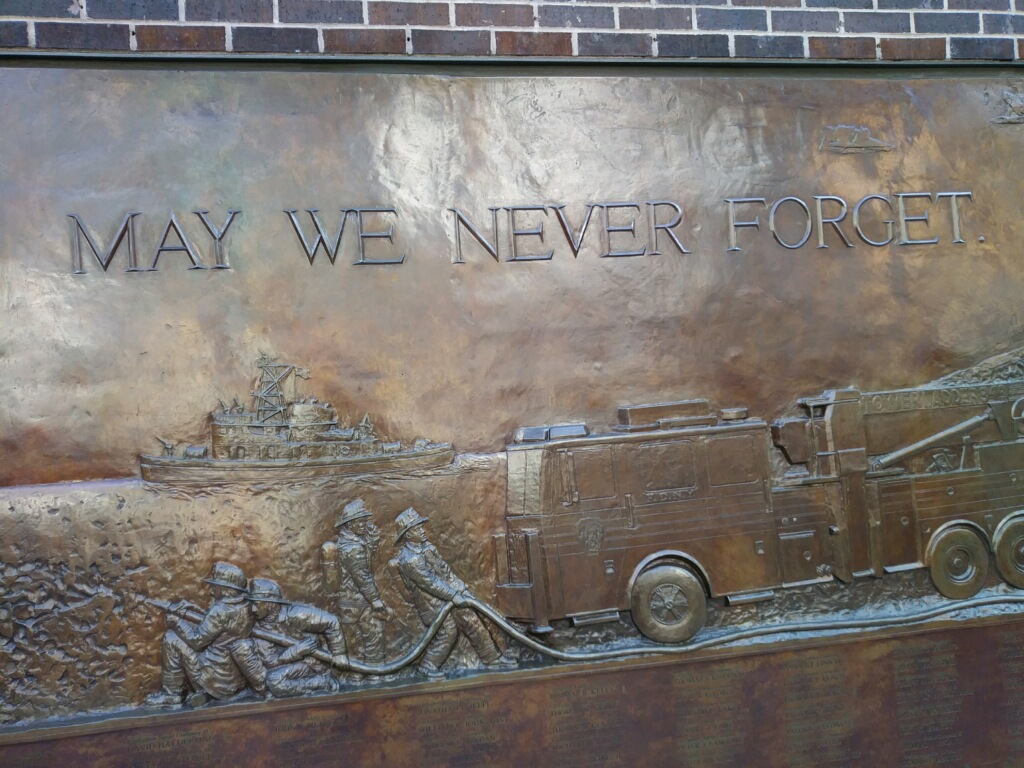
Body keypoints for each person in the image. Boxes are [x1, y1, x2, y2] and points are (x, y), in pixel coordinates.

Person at [392, 508, 514, 680]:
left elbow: (446, 572)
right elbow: (430, 583)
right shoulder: (410, 559)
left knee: (472, 622)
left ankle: (493, 659)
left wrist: (461, 589)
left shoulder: (428, 548)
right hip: (433, 606)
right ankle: (427, 666)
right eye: (418, 529)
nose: (423, 530)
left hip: (451, 597)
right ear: (408, 534)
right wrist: (453, 596)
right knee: (448, 632)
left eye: (421, 527)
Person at [145, 561, 253, 707]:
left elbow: (197, 642)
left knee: (171, 638)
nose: (211, 589)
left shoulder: (220, 610)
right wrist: (195, 608)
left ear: (225, 588)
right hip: (234, 681)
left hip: (215, 679)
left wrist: (177, 622)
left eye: (215, 585)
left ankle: (172, 695)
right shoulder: (246, 605)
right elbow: (219, 626)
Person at [230, 578, 346, 698]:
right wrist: (295, 652)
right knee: (273, 680)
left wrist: (339, 653)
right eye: (252, 604)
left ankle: (323, 681)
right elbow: (271, 662)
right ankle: (319, 682)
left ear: (270, 603)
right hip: (289, 667)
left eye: (257, 604)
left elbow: (332, 622)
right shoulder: (259, 628)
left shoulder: (296, 614)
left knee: (274, 680)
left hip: (312, 662)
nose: (253, 609)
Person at [320, 499, 391, 664]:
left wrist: (372, 539)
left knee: (352, 642)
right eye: (359, 522)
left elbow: (367, 557)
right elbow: (362, 576)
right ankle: (374, 670)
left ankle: (355, 673)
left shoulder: (349, 542)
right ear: (349, 524)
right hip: (359, 601)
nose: (363, 525)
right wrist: (375, 600)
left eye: (364, 521)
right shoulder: (353, 548)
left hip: (347, 601)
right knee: (373, 636)